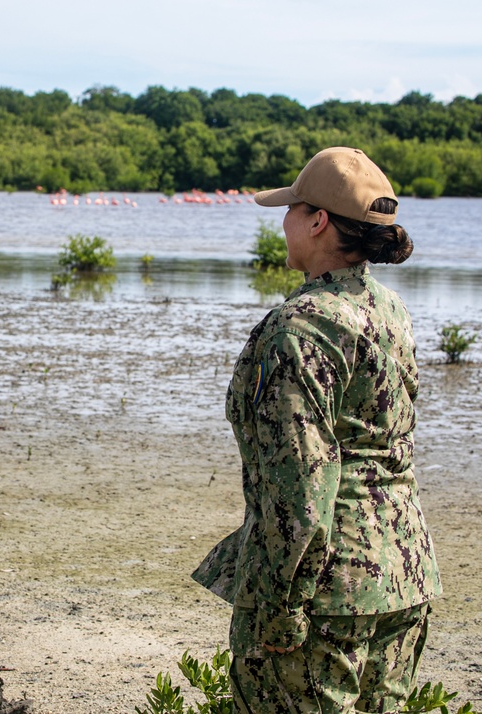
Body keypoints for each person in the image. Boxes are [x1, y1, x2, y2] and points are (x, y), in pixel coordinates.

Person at [194, 147, 442, 713]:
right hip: (403, 571)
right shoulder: (389, 309)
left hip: (327, 591)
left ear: (318, 221)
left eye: (291, 208)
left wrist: (281, 604)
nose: (282, 221)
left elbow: (300, 485)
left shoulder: (299, 327)